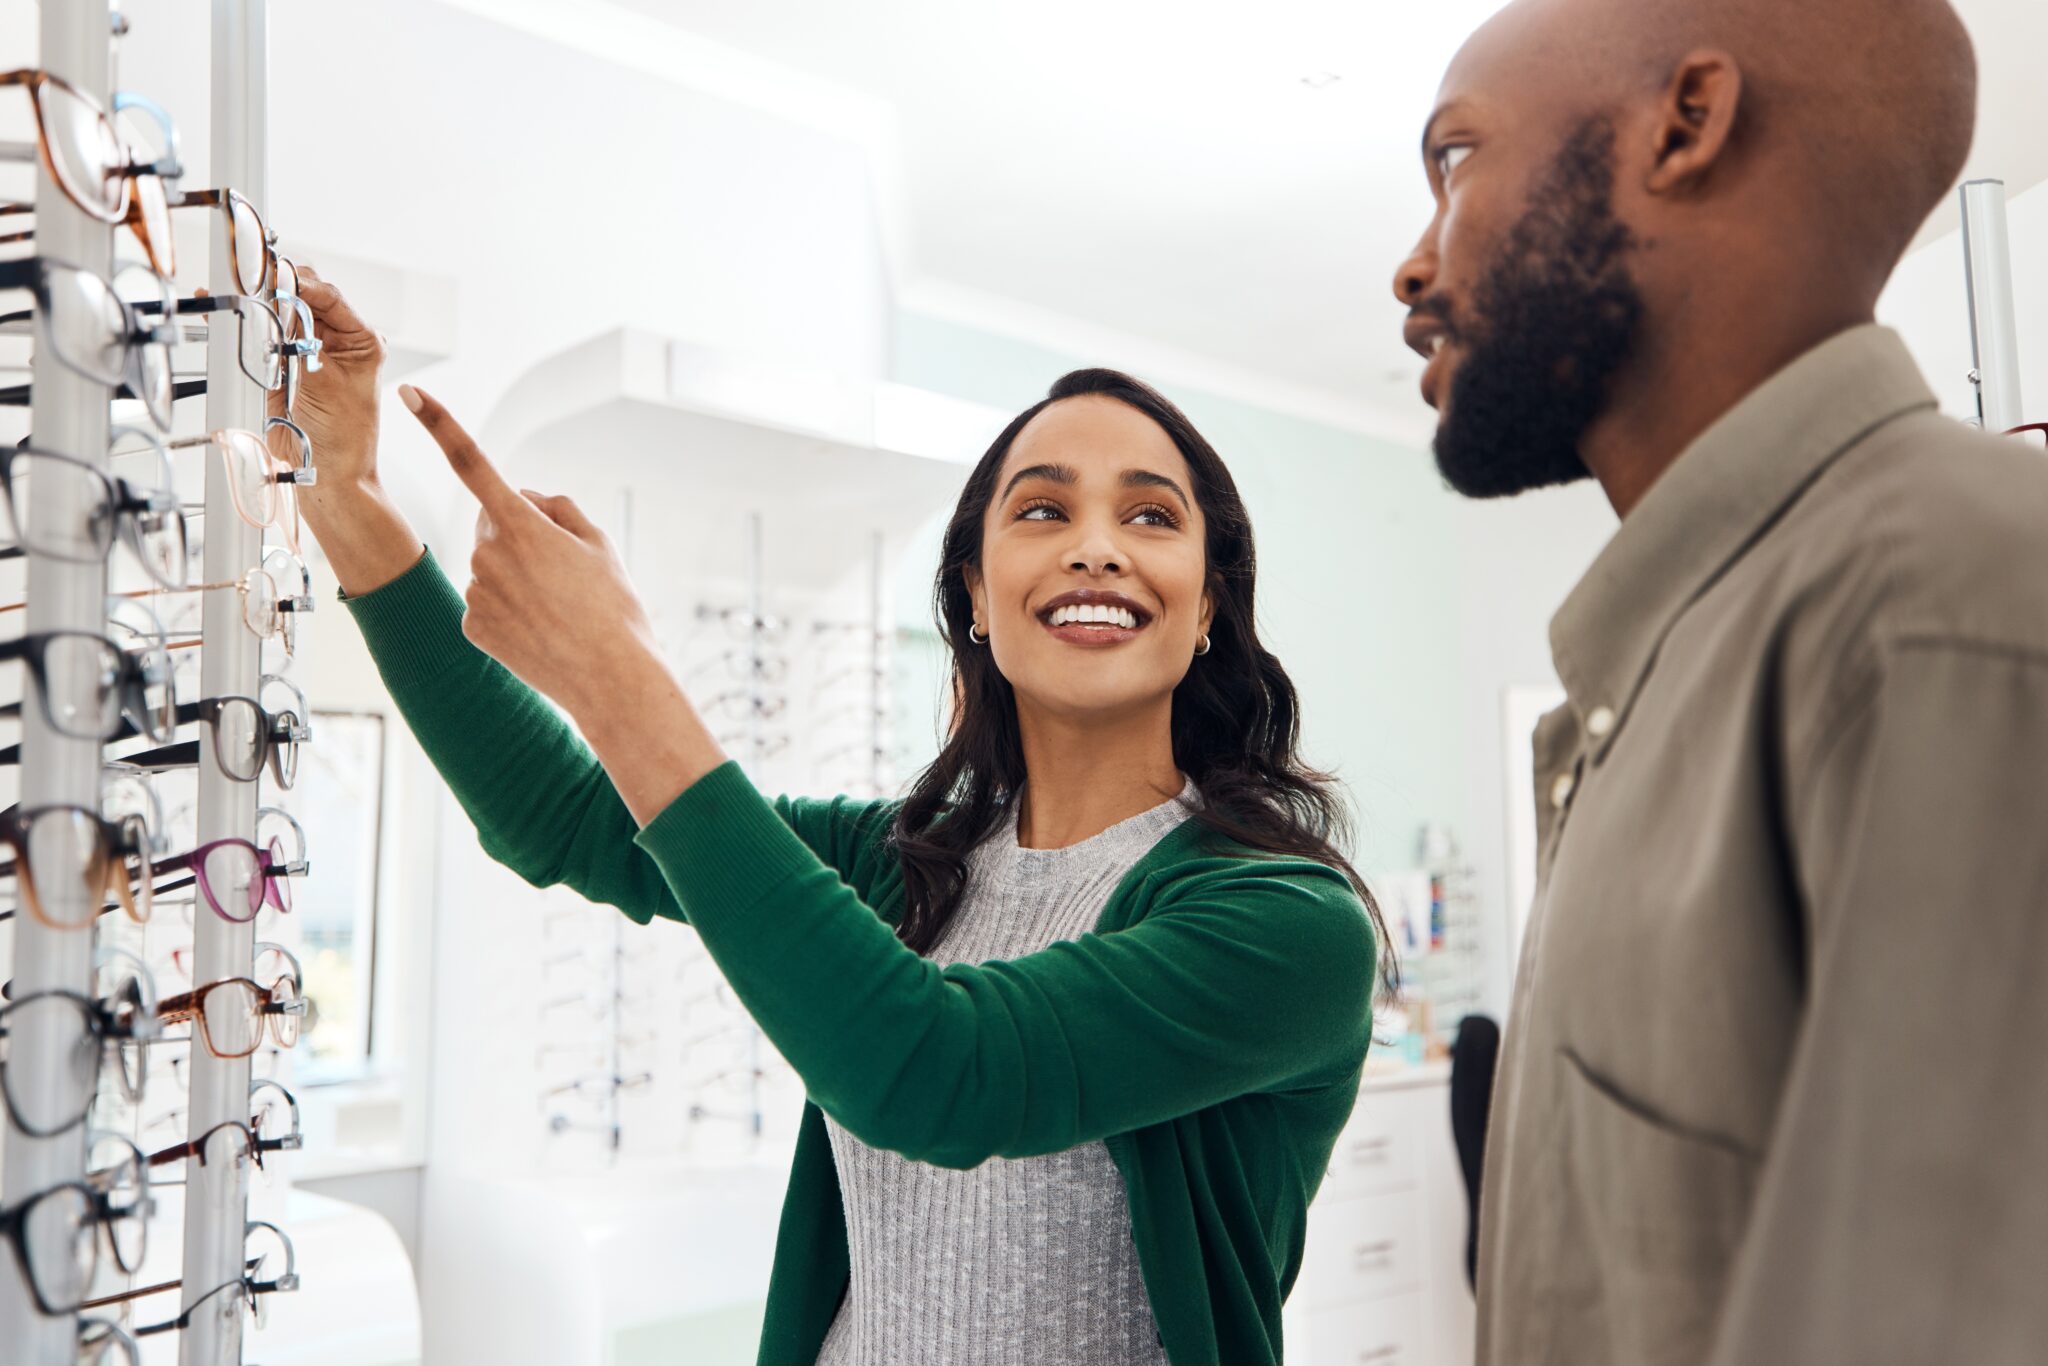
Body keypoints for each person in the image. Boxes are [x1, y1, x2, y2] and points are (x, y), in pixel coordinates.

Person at [280, 278, 1394, 1366]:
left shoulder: (1286, 923)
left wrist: (617, 669)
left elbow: (935, 1069)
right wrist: (347, 497)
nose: (1094, 545)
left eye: (1149, 515)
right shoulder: (902, 858)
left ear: (1204, 603)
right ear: (971, 592)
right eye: (1042, 508)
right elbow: (563, 819)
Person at [1392, 0, 2048, 1361]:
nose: (1410, 265)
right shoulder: (1672, 667)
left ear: (1684, 125)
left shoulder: (1950, 611)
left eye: (1454, 159)